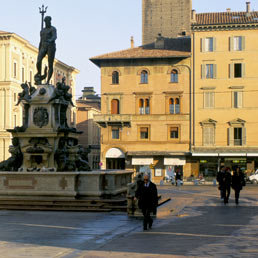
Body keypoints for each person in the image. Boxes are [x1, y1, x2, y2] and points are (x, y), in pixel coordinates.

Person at [36, 16, 57, 85]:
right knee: (38, 61)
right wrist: (39, 49)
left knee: (50, 64)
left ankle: (48, 81)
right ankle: (39, 73)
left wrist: (50, 40)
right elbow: (40, 40)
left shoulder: (53, 29)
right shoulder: (42, 31)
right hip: (43, 46)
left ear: (50, 21)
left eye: (48, 21)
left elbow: (54, 36)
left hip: (51, 46)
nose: (47, 23)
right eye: (45, 21)